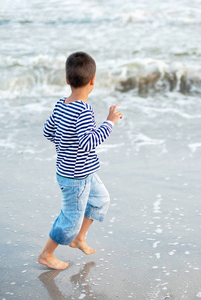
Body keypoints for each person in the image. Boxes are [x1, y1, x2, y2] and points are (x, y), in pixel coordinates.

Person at [38, 52, 122, 270]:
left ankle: (79, 239)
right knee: (69, 220)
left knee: (100, 200)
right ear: (93, 80)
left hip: (82, 172)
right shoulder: (84, 110)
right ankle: (47, 254)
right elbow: (88, 142)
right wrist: (109, 122)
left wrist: (64, 143)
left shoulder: (61, 104)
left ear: (67, 80)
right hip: (75, 177)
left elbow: (48, 132)